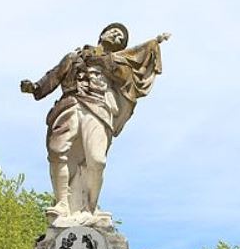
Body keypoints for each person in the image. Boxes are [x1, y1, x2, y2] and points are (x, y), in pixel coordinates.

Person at [21, 23, 170, 223]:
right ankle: (62, 203)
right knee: (57, 151)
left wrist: (103, 60)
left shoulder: (118, 63)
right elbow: (54, 75)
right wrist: (35, 88)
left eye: (121, 37)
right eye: (114, 31)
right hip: (70, 104)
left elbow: (125, 79)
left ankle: (89, 208)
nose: (117, 35)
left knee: (97, 160)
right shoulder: (75, 56)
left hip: (99, 109)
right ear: (102, 34)